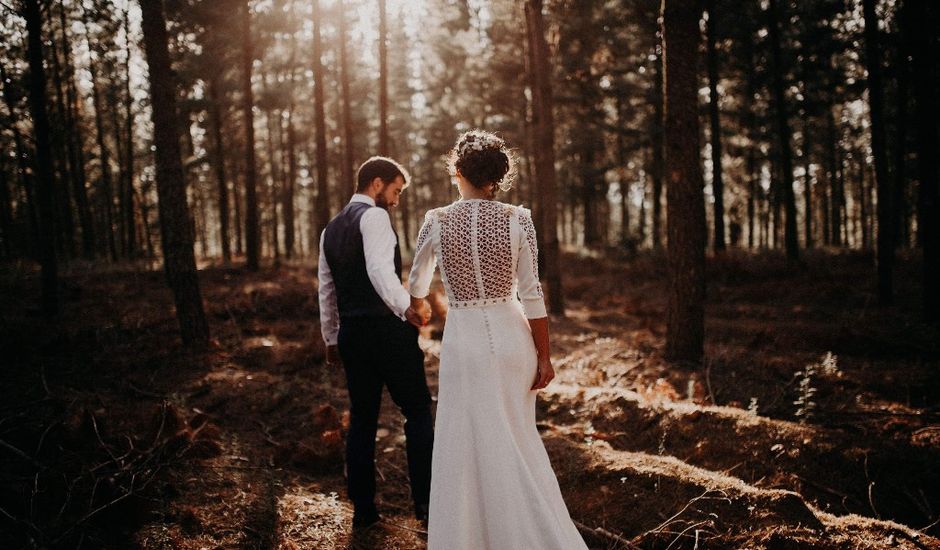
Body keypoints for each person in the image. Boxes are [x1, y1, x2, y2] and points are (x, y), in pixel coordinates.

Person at [408, 131, 588, 549]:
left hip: (464, 344)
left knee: (464, 445)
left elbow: (417, 283)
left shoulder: (436, 220)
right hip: (513, 341)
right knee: (518, 441)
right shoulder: (516, 218)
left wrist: (418, 307)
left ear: (457, 171)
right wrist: (545, 357)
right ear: (495, 177)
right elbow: (532, 295)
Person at [318, 156, 434, 529]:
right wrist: (408, 309)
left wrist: (331, 337)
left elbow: (327, 289)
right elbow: (380, 272)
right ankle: (427, 504)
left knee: (363, 418)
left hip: (352, 335)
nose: (397, 200)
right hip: (386, 331)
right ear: (377, 183)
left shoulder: (330, 230)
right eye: (396, 191)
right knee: (416, 411)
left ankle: (364, 510)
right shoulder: (376, 218)